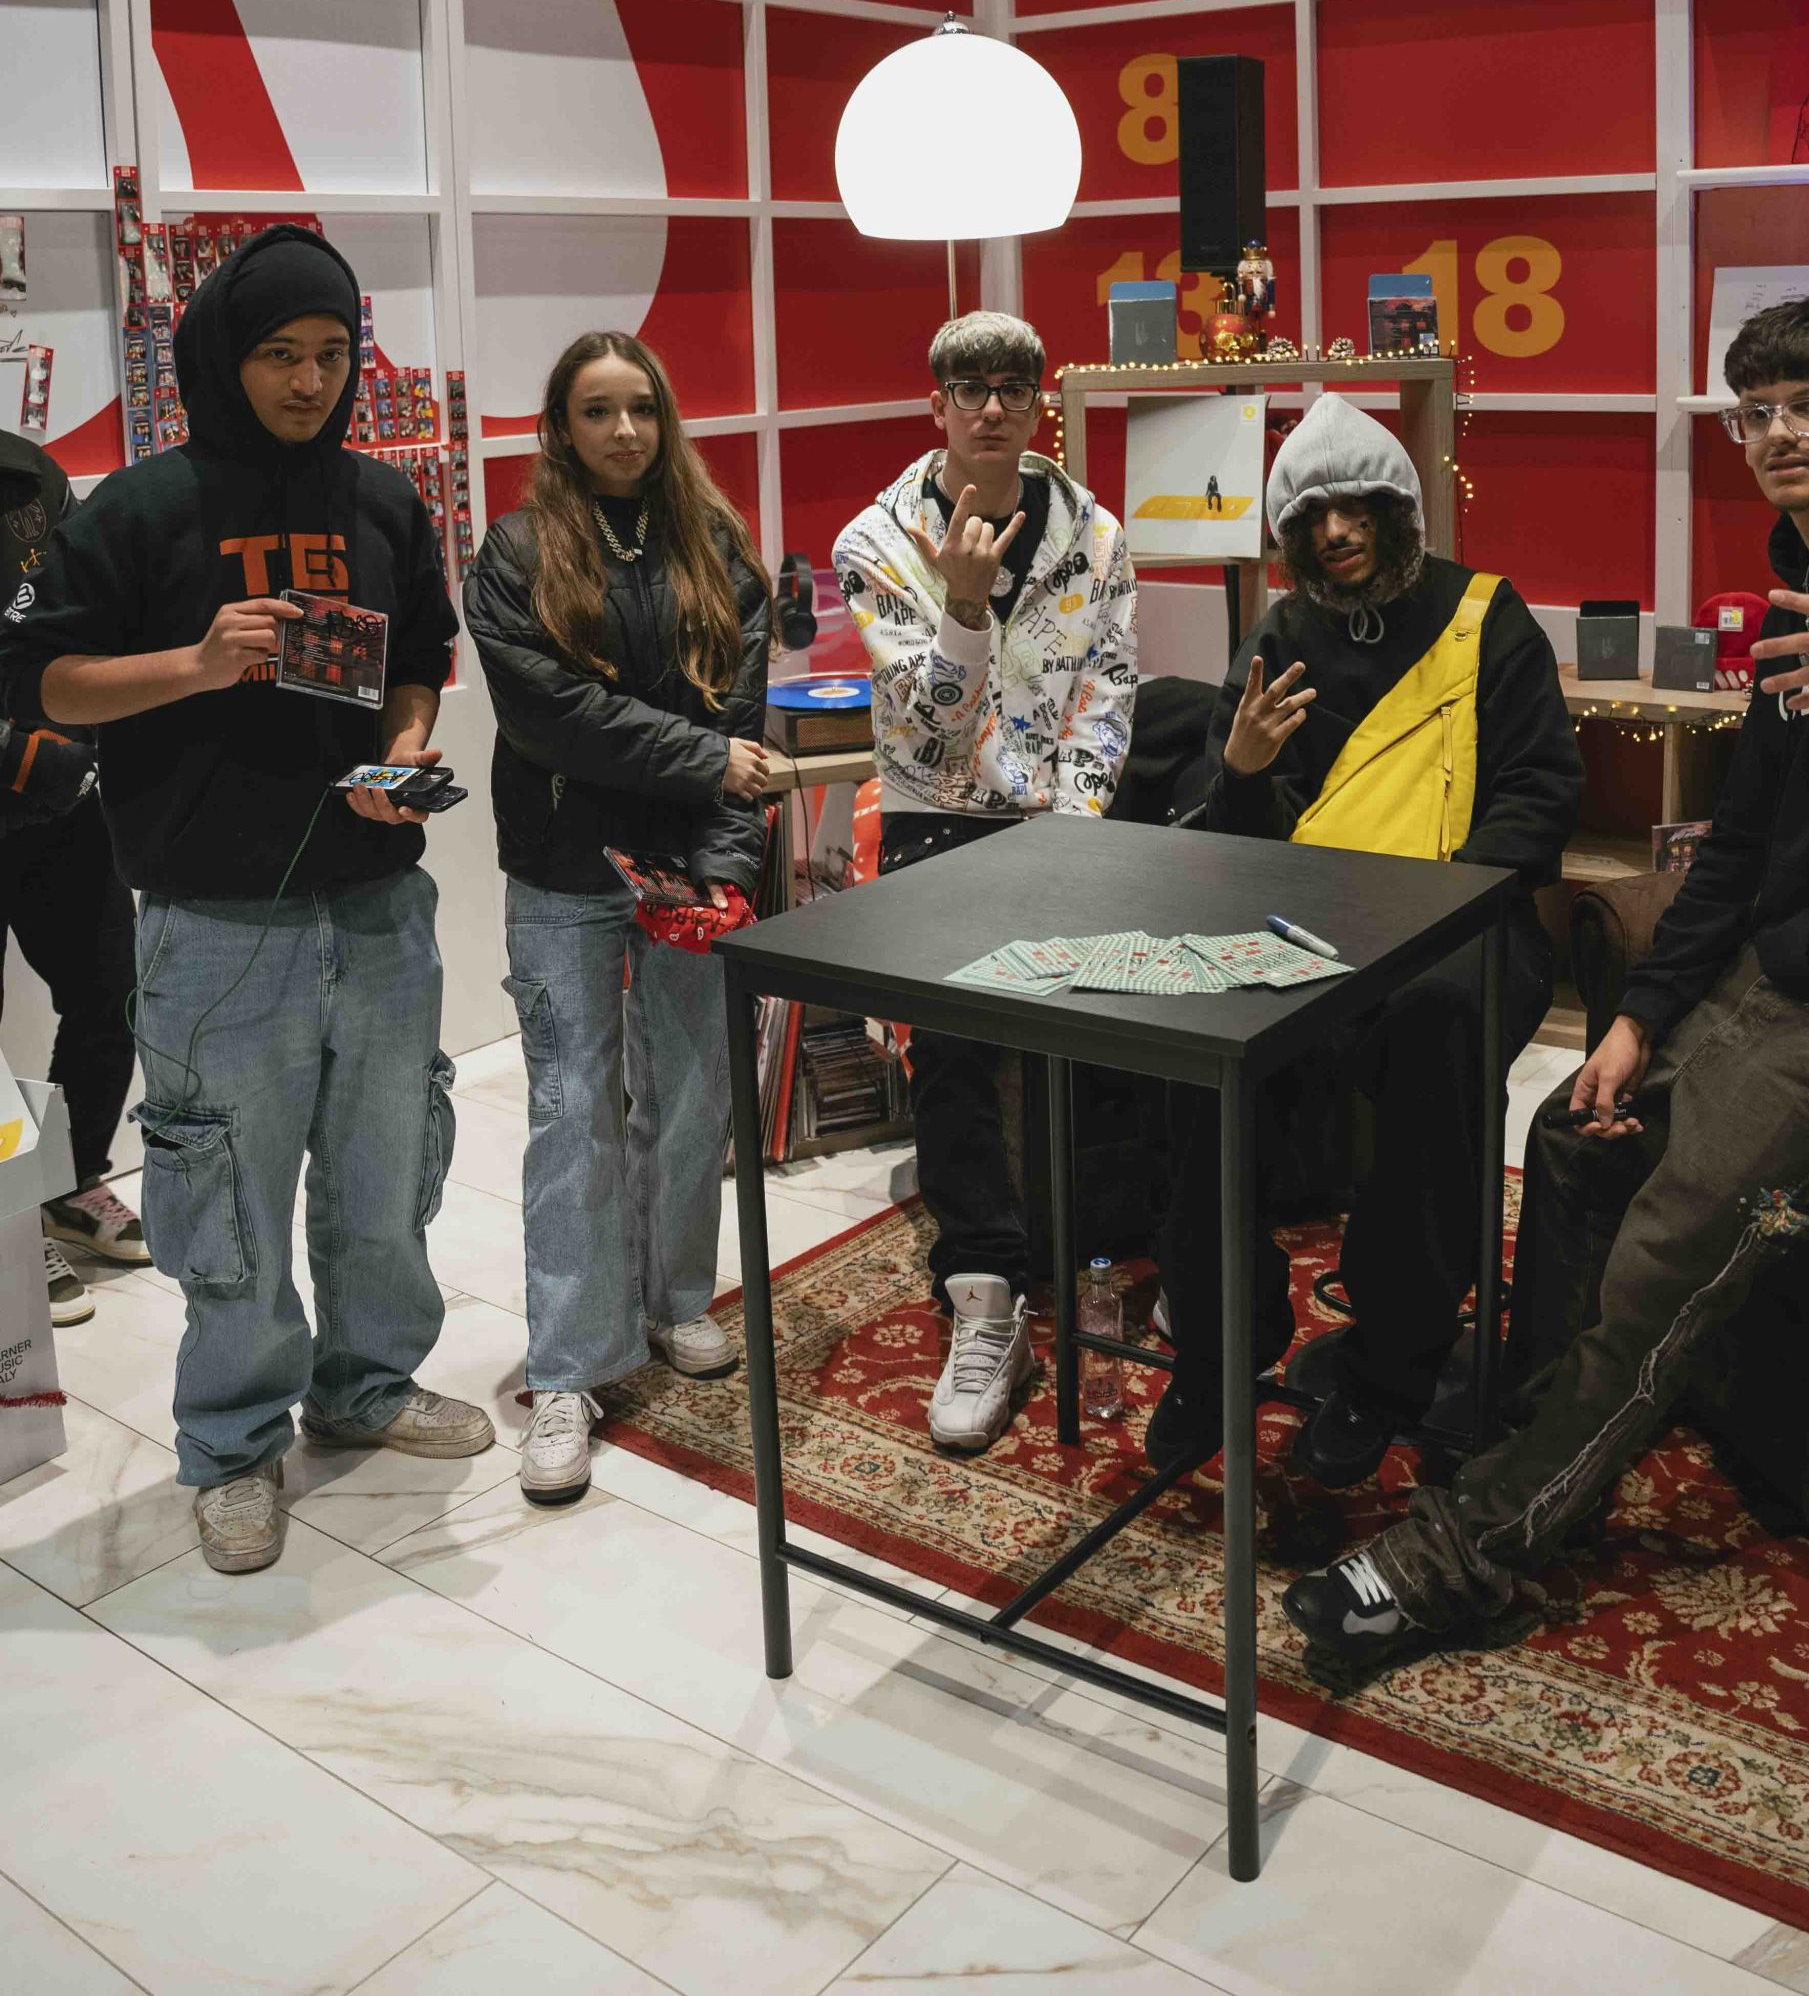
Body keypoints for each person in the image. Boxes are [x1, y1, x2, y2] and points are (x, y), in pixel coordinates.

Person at [1283, 299, 1809, 1673]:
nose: (1778, 433)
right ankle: (1539, 1438)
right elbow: (1743, 839)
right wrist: (1638, 1017)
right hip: (1790, 973)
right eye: (1755, 411)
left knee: (1666, 1244)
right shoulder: (1801, 567)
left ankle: (1467, 1553)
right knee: (1571, 1134)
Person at [0, 227, 487, 1576]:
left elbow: (421, 655)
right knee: (224, 1198)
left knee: (387, 1174)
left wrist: (404, 748)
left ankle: (368, 1386)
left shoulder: (382, 502)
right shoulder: (137, 509)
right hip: (212, 921)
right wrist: (196, 663)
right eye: (280, 354)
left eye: (331, 354)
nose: (309, 381)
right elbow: (39, 686)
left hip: (379, 903)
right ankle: (230, 1445)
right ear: (224, 354)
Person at [1150, 393, 1580, 1471]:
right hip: (1304, 924)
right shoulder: (1280, 636)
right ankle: (1217, 1350)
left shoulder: (1487, 617)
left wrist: (1434, 908)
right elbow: (1231, 843)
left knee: (1437, 1027)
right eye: (1312, 518)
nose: (1336, 532)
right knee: (1193, 1032)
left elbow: (1538, 792)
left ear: (1400, 514)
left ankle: (1389, 1369)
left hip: (1465, 923)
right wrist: (1240, 772)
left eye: (1357, 509)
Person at [465, 331, 773, 1506]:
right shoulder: (516, 553)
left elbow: (742, 731)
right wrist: (702, 760)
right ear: (562, 426)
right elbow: (552, 717)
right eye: (597, 411)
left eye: (640, 406)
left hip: (687, 870)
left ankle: (675, 1297)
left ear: (666, 416)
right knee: (571, 1112)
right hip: (562, 873)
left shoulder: (717, 547)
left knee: (692, 1098)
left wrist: (726, 872)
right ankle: (568, 1369)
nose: (624, 431)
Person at [834, 312, 1136, 1454]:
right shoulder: (875, 541)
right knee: (954, 1056)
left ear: (1038, 399)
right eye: (971, 389)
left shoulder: (1094, 535)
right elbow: (930, 725)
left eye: (1013, 386)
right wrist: (963, 607)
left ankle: (1087, 1248)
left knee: (1092, 1033)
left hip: (1062, 824)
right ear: (938, 407)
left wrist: (1074, 831)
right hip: (938, 818)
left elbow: (1108, 695)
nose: (994, 408)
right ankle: (983, 1290)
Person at [0, 429, 141, 1326]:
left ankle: (64, 1183)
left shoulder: (27, 471)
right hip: (20, 766)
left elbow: (93, 605)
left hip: (60, 802)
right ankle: (5, 1230)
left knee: (113, 993)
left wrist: (79, 730)